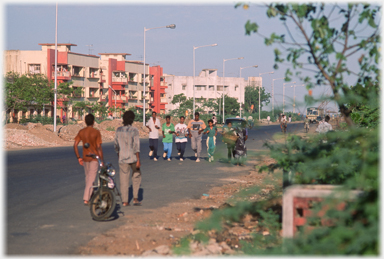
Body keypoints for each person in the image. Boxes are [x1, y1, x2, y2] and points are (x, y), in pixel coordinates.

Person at [74, 113, 104, 205]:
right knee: (91, 178)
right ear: (93, 122)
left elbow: (75, 145)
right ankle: (86, 198)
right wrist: (102, 161)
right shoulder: (96, 132)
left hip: (85, 157)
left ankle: (89, 196)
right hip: (94, 158)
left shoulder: (81, 132)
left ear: (85, 122)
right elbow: (98, 147)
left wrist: (78, 157)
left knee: (88, 177)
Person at [114, 111, 142, 206]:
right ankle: (135, 198)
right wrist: (138, 159)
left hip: (122, 158)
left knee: (123, 179)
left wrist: (119, 156)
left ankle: (125, 201)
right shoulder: (134, 130)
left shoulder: (118, 130)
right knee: (136, 176)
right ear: (132, 119)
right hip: (133, 157)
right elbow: (136, 146)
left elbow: (116, 146)